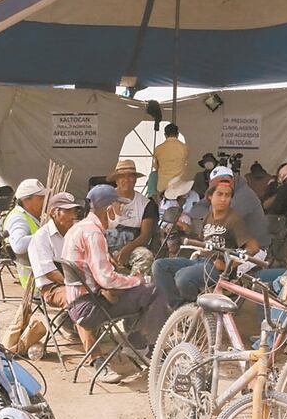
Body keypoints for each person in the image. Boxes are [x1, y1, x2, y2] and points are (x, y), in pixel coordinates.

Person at [63, 184, 169, 381]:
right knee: (153, 291)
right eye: (118, 206)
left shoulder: (78, 228)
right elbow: (106, 278)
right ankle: (154, 349)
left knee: (138, 293)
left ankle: (136, 344)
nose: (121, 211)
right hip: (89, 308)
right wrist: (135, 280)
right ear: (109, 207)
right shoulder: (93, 233)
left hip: (77, 303)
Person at [152, 172, 261, 308]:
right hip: (201, 261)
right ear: (210, 197)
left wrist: (229, 264)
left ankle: (193, 308)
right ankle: (179, 307)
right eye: (220, 194)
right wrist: (198, 250)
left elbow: (253, 247)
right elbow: (206, 242)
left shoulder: (234, 219)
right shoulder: (208, 217)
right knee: (159, 265)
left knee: (182, 277)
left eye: (227, 196)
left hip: (217, 267)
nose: (223, 199)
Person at [105, 159, 158, 274]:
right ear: (116, 180)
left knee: (146, 256)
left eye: (131, 176)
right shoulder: (105, 200)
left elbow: (145, 235)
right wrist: (106, 253)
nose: (127, 180)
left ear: (135, 180)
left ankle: (134, 287)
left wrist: (127, 250)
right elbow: (98, 229)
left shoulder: (146, 204)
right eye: (122, 176)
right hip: (105, 246)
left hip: (133, 247)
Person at [28, 191, 81, 307]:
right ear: (53, 213)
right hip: (53, 287)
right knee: (81, 298)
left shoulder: (76, 232)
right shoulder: (41, 237)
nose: (73, 215)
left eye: (74, 211)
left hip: (78, 282)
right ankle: (77, 322)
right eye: (67, 211)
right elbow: (51, 273)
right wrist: (79, 284)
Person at [3, 178, 48, 288]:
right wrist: (46, 235)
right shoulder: (18, 218)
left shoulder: (33, 215)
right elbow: (18, 245)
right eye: (41, 198)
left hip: (43, 276)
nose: (45, 201)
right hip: (38, 282)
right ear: (26, 200)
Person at [151, 124, 189, 199]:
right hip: (179, 185)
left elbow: (156, 166)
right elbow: (185, 162)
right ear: (177, 134)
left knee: (162, 208)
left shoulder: (158, 149)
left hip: (163, 186)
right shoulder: (185, 148)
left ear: (165, 135)